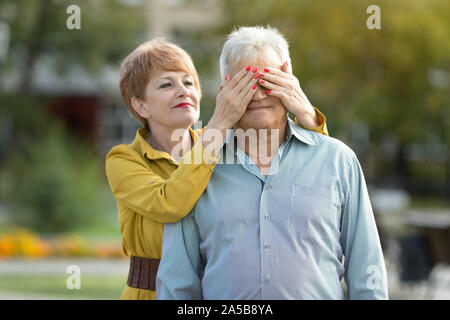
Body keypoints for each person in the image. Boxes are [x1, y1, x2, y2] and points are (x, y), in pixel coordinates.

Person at [156, 26, 389, 300]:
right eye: (244, 85)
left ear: (288, 80)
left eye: (268, 82)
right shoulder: (195, 172)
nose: (257, 95)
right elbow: (176, 284)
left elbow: (367, 269)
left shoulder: (338, 161)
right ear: (224, 91)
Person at [105, 38, 328, 300]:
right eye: (167, 84)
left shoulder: (222, 145)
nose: (183, 90)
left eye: (188, 82)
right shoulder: (124, 159)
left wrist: (305, 114)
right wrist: (221, 122)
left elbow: (305, 159)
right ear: (140, 105)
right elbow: (170, 204)